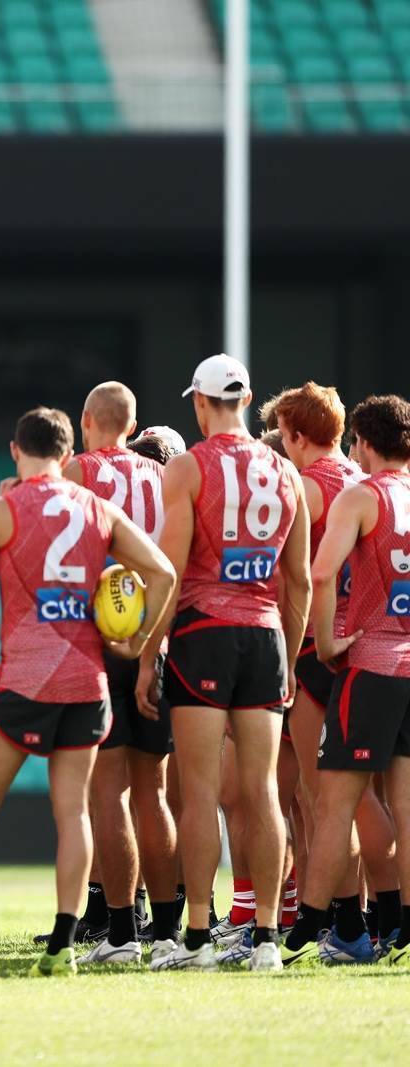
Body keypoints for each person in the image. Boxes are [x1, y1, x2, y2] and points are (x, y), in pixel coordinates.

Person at [0, 407, 175, 979]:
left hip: (24, 681)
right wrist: (135, 642)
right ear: (67, 453)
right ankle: (63, 948)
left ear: (15, 450)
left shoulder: (1, 510)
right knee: (74, 812)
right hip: (86, 682)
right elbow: (163, 573)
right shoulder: (99, 508)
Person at [140, 354, 310, 973]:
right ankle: (266, 938)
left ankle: (197, 937)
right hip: (265, 638)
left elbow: (169, 571)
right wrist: (289, 657)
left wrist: (149, 655)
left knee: (200, 793)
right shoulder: (286, 472)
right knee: (264, 792)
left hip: (204, 634)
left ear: (199, 403)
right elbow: (300, 582)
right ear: (248, 398)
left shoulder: (187, 466)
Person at [261, 384, 398, 963]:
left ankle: (346, 925)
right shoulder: (362, 480)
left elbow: (290, 574)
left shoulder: (306, 486)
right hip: (375, 644)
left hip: (319, 648)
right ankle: (383, 919)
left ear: (295, 435)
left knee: (327, 799)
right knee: (371, 798)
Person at [62, 382, 178, 966]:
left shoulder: (77, 472)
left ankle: (121, 933)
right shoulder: (164, 475)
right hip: (154, 641)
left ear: (87, 420)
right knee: (154, 793)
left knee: (107, 792)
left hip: (100, 640)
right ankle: (169, 933)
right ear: (132, 428)